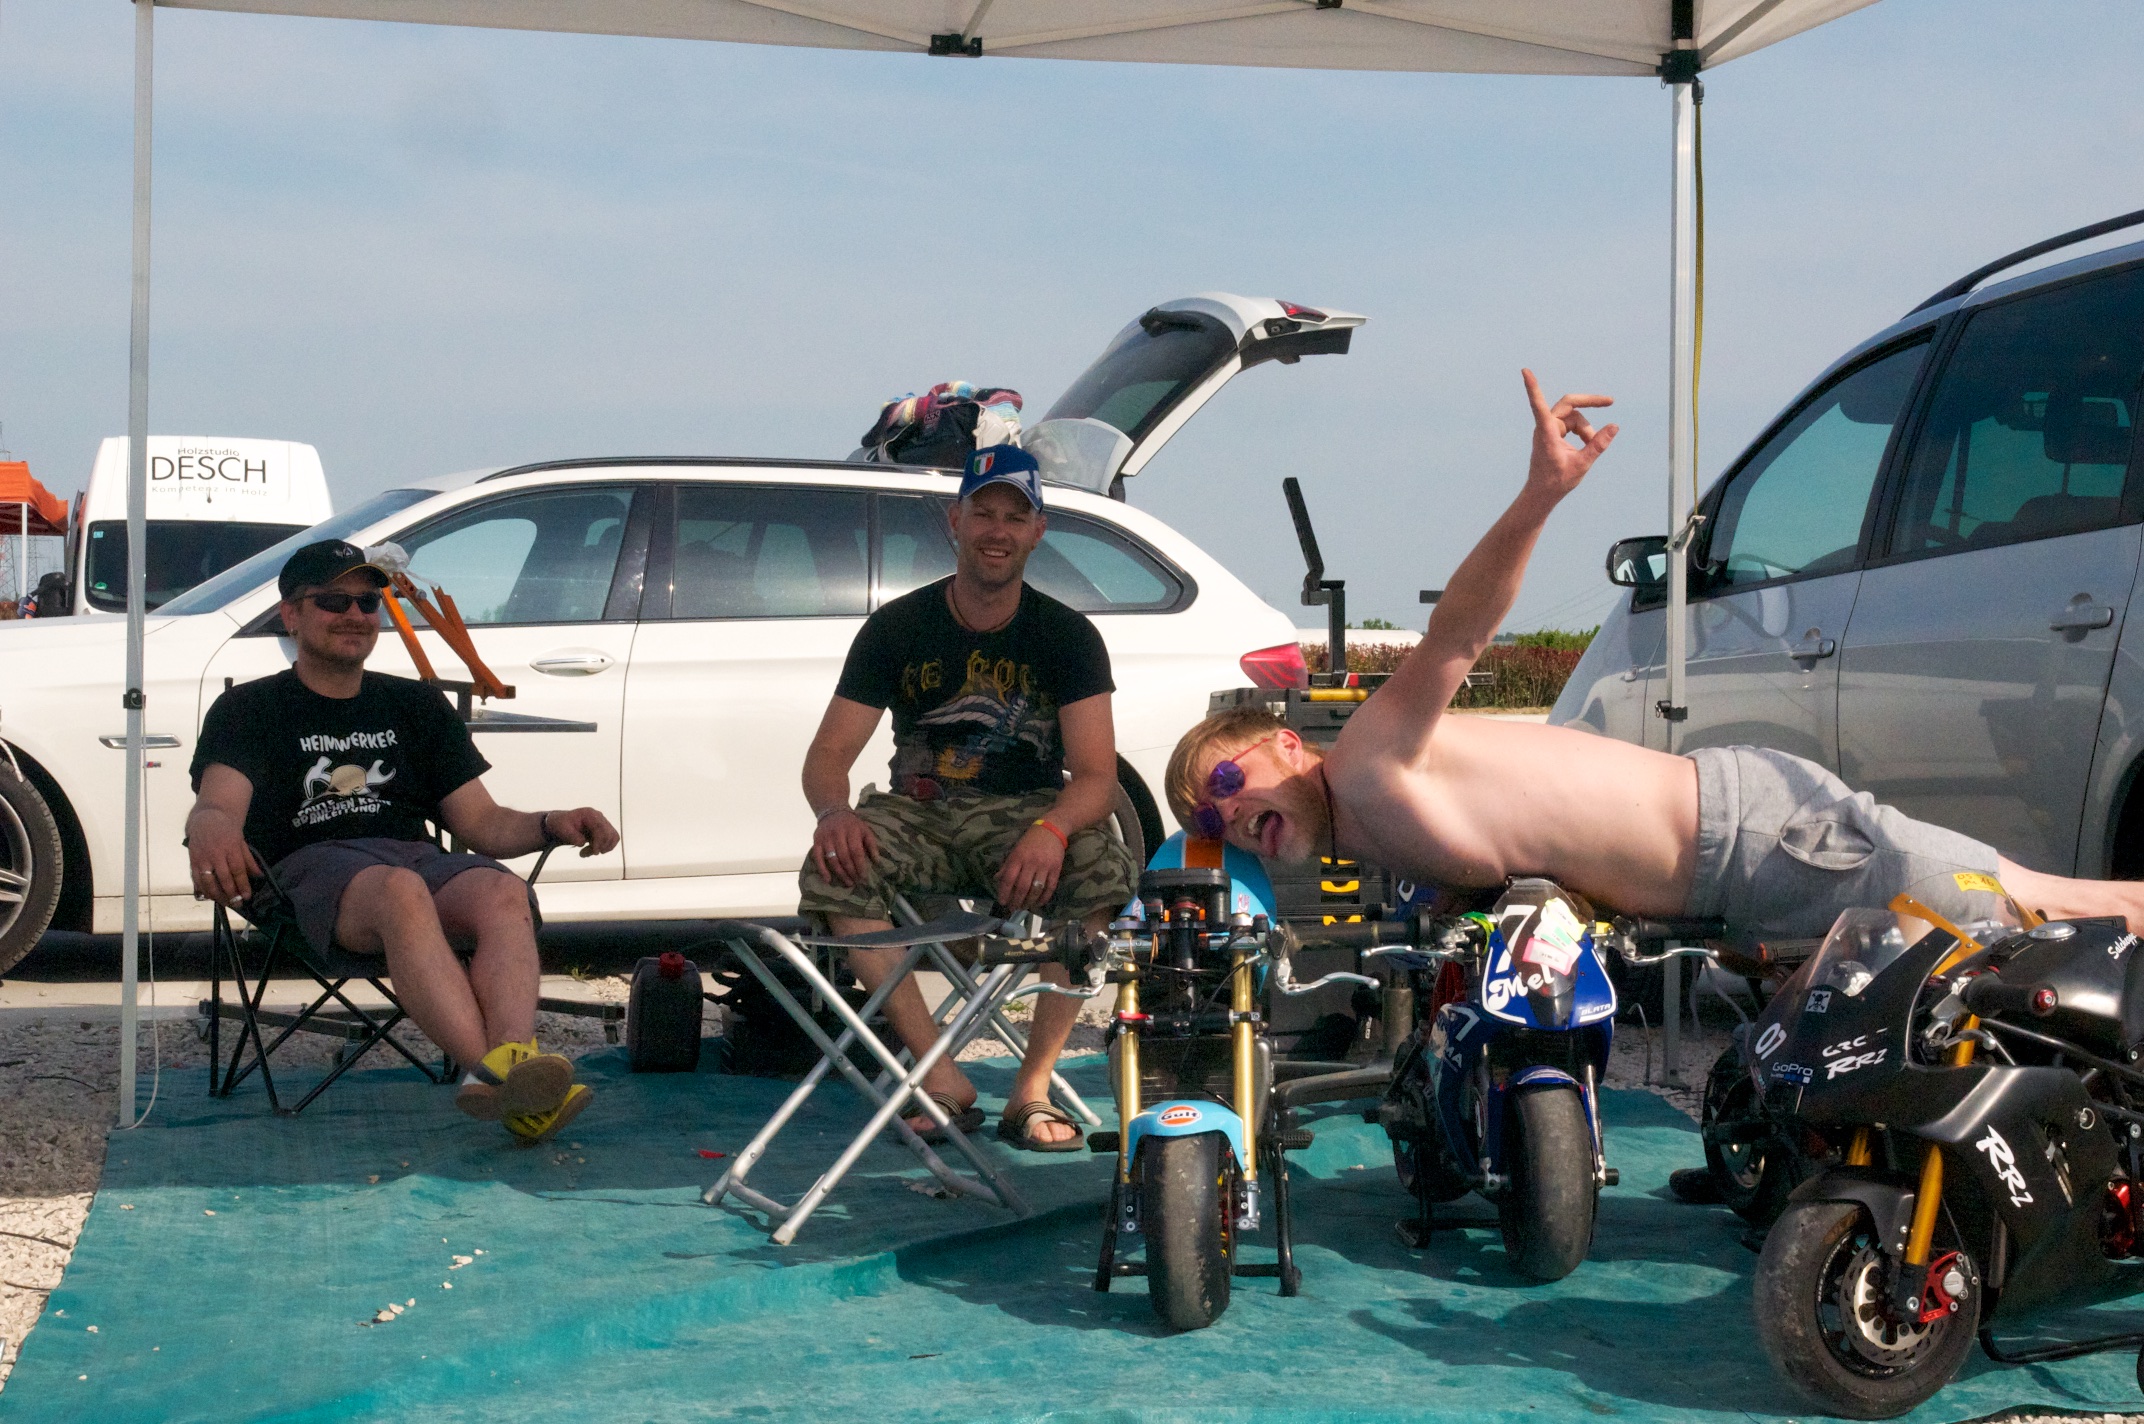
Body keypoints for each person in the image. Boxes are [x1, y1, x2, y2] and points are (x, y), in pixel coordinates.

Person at [1164, 370, 2144, 945]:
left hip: (1755, 833)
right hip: (1721, 890)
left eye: (1225, 782)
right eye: (1209, 821)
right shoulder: (1364, 832)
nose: (1228, 819)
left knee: (2036, 910)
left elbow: (1457, 635)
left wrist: (1540, 496)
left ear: (1286, 743)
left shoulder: (1367, 760)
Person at [185, 539, 621, 1142]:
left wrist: (553, 821)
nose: (355, 615)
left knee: (501, 892)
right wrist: (208, 827)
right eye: (333, 600)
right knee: (399, 890)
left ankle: (512, 1068)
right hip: (306, 873)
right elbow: (218, 803)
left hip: (412, 860)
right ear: (291, 614)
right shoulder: (250, 708)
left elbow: (483, 824)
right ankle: (498, 1079)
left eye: (369, 602)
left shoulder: (416, 703)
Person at [800, 445, 1137, 1152]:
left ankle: (1032, 1088)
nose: (997, 531)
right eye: (984, 513)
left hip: (1025, 812)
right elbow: (828, 757)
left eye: (1015, 517)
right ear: (955, 521)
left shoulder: (1069, 636)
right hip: (918, 809)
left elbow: (1097, 779)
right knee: (835, 865)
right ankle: (939, 1075)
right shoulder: (896, 627)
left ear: (1038, 531)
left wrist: (1052, 829)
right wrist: (834, 814)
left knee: (1101, 868)